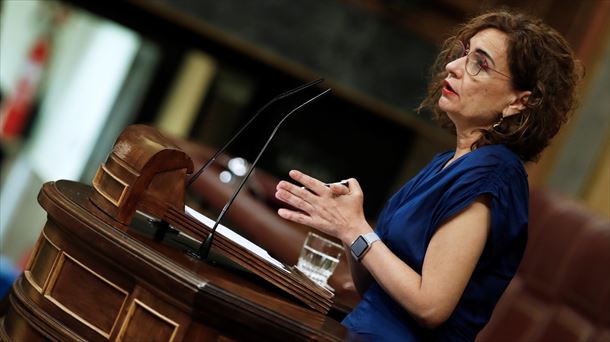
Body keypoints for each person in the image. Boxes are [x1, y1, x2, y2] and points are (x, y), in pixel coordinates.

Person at [274, 9, 580, 341]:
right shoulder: (447, 163)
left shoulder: (492, 174)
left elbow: (431, 306)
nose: (452, 66)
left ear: (518, 102)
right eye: (463, 54)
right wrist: (350, 228)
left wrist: (354, 228)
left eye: (479, 63)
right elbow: (373, 288)